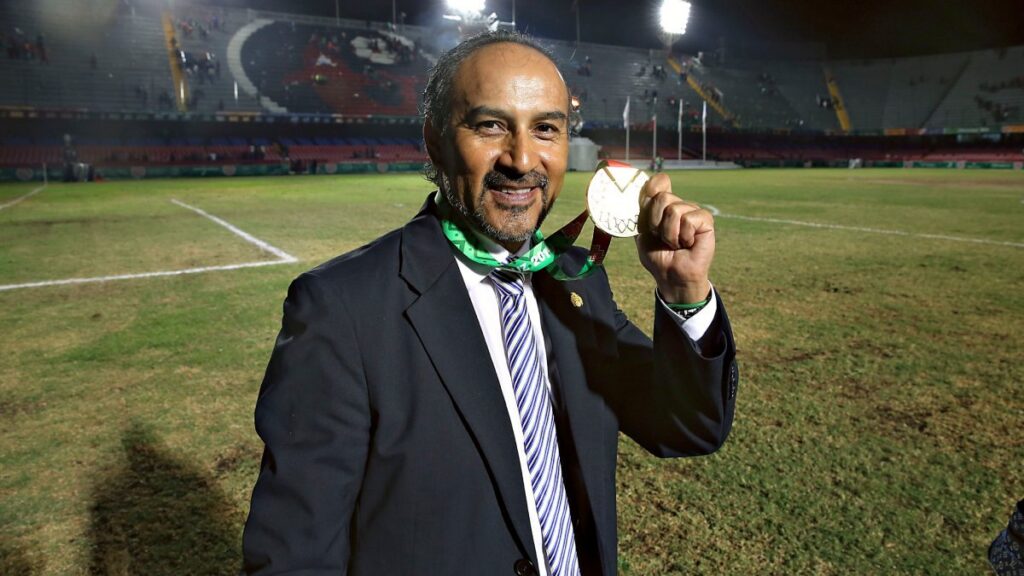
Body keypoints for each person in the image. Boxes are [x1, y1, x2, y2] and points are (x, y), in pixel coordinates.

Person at [241, 31, 737, 576]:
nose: (522, 159)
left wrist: (683, 293)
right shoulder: (343, 309)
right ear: (435, 140)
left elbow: (687, 426)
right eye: (491, 125)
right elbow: (295, 557)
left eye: (546, 128)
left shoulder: (575, 279)